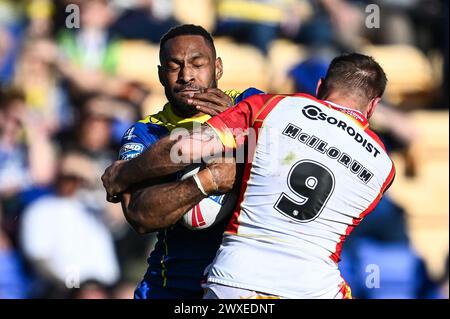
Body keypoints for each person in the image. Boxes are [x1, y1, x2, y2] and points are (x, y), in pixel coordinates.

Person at [102, 53, 395, 299]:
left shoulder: (272, 107)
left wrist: (123, 173)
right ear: (373, 106)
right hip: (311, 286)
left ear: (319, 87)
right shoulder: (384, 166)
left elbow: (185, 148)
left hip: (237, 278)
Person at [107, 24, 262, 299]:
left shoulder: (250, 103)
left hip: (246, 288)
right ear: (160, 75)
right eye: (174, 66)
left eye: (197, 64)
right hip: (172, 287)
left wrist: (232, 124)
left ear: (218, 68)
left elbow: (281, 165)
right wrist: (205, 182)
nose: (186, 75)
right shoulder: (146, 132)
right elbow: (140, 217)